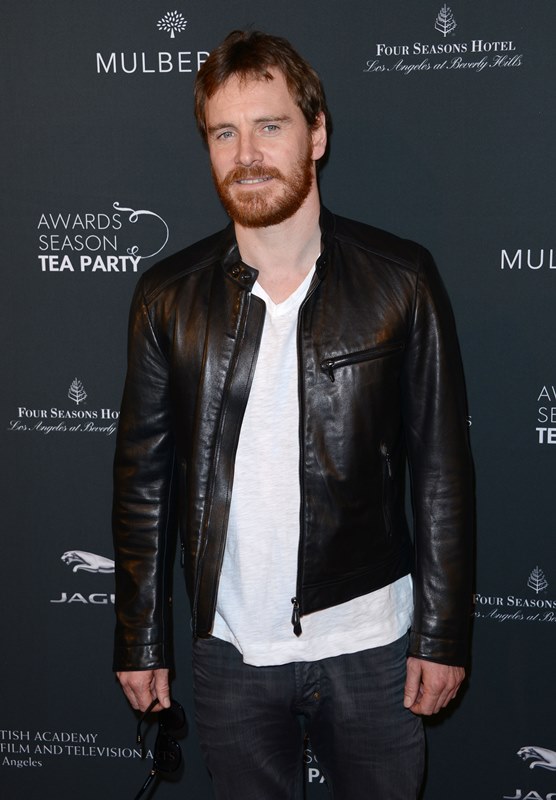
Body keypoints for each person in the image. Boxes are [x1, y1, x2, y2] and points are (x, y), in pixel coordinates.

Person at [113, 29, 474, 800]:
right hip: (231, 653)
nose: (246, 154)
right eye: (225, 133)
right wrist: (140, 637)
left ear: (317, 134)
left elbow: (441, 472)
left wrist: (441, 633)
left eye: (269, 126)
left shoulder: (401, 280)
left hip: (373, 648)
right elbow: (144, 483)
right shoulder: (167, 297)